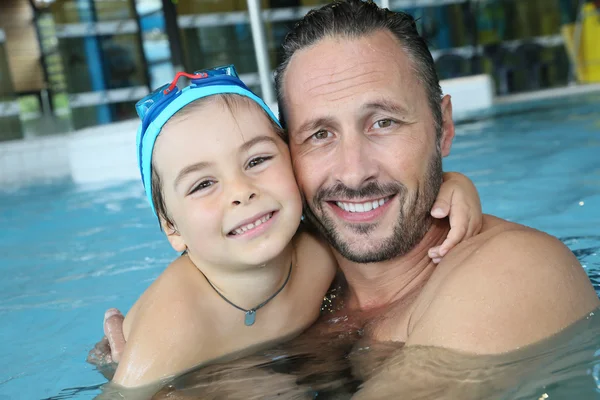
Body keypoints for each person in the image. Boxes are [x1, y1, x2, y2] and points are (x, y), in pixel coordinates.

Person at [98, 1, 599, 397]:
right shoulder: (294, 265)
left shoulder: (516, 274)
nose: (354, 171)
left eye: (383, 122)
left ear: (443, 126)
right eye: (319, 134)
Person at [100, 64, 483, 389]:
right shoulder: (176, 326)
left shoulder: (318, 246)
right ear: (172, 229)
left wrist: (452, 183)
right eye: (203, 184)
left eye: (257, 160)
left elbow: (378, 205)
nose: (241, 192)